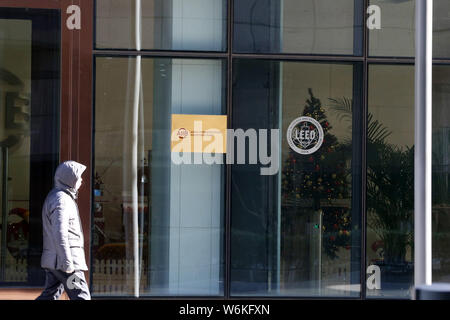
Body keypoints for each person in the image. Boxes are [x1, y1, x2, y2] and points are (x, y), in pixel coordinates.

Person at [36, 160, 91, 300]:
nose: (81, 180)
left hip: (57, 261)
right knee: (82, 296)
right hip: (66, 262)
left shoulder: (58, 197)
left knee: (50, 296)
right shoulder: (62, 199)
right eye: (79, 177)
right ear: (70, 179)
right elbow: (59, 231)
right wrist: (67, 262)